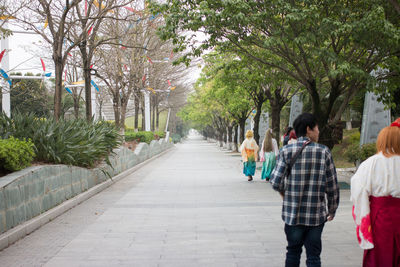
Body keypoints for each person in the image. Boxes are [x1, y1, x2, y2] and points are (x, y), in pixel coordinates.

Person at [270, 113, 340, 267]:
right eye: (317, 128)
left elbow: (275, 181)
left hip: (292, 215)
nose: (318, 131)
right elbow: (332, 186)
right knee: (314, 256)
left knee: (293, 252)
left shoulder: (286, 151)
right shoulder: (324, 152)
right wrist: (332, 209)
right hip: (316, 216)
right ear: (309, 129)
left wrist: (286, 194)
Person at [350, 117, 400, 267]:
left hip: (380, 218)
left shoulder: (370, 163)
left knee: (380, 257)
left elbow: (358, 192)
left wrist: (364, 217)